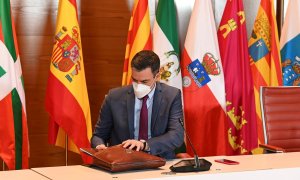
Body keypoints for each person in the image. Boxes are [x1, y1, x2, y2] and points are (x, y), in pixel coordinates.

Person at [91, 50, 184, 159]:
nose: (138, 86)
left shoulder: (171, 96)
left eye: (144, 82)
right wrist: (99, 145)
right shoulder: (114, 97)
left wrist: (144, 145)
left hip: (159, 160)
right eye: (134, 80)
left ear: (157, 76)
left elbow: (176, 136)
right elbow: (98, 135)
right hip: (122, 161)